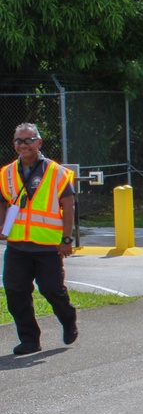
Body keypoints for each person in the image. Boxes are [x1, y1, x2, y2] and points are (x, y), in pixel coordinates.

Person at [0, 123, 78, 355]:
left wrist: (66, 239)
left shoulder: (56, 172)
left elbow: (68, 205)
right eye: (18, 141)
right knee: (15, 291)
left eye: (28, 140)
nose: (23, 145)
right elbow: (3, 201)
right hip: (17, 245)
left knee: (52, 290)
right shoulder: (6, 173)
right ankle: (30, 339)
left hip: (47, 246)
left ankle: (68, 318)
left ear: (39, 142)